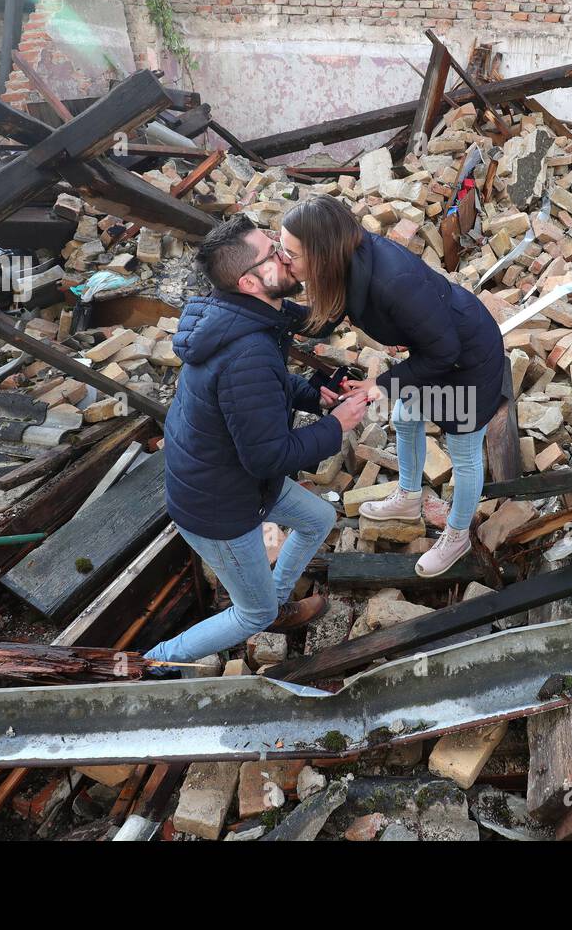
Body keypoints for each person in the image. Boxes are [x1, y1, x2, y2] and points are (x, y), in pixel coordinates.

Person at [146, 216, 369, 670]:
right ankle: (153, 664)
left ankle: (277, 601)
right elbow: (270, 455)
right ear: (249, 281)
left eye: (275, 242)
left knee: (318, 518)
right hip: (221, 509)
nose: (285, 254)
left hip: (228, 479)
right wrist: (338, 424)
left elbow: (264, 387)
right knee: (252, 612)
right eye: (273, 252)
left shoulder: (238, 316)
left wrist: (312, 393)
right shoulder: (246, 353)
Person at [280, 195, 506, 578]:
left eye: (292, 254)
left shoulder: (391, 280)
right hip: (434, 349)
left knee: (464, 450)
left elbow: (445, 350)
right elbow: (325, 319)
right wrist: (264, 306)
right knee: (404, 416)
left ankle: (457, 534)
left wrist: (382, 383)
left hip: (467, 359)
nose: (286, 262)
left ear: (321, 253)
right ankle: (408, 496)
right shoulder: (347, 264)